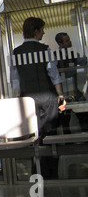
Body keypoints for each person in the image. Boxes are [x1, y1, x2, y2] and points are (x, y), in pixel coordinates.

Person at [11, 17, 66, 178]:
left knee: (33, 137)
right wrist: (61, 97)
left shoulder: (16, 53)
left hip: (27, 101)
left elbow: (15, 82)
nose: (43, 32)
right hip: (47, 97)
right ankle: (52, 173)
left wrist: (19, 101)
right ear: (35, 31)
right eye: (42, 29)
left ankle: (37, 172)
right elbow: (54, 76)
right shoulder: (45, 50)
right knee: (50, 136)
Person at [54, 32, 87, 133]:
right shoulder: (54, 56)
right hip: (62, 93)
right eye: (67, 41)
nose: (70, 42)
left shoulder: (74, 53)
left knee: (83, 116)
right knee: (64, 120)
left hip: (75, 90)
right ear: (60, 44)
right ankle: (68, 144)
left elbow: (84, 63)